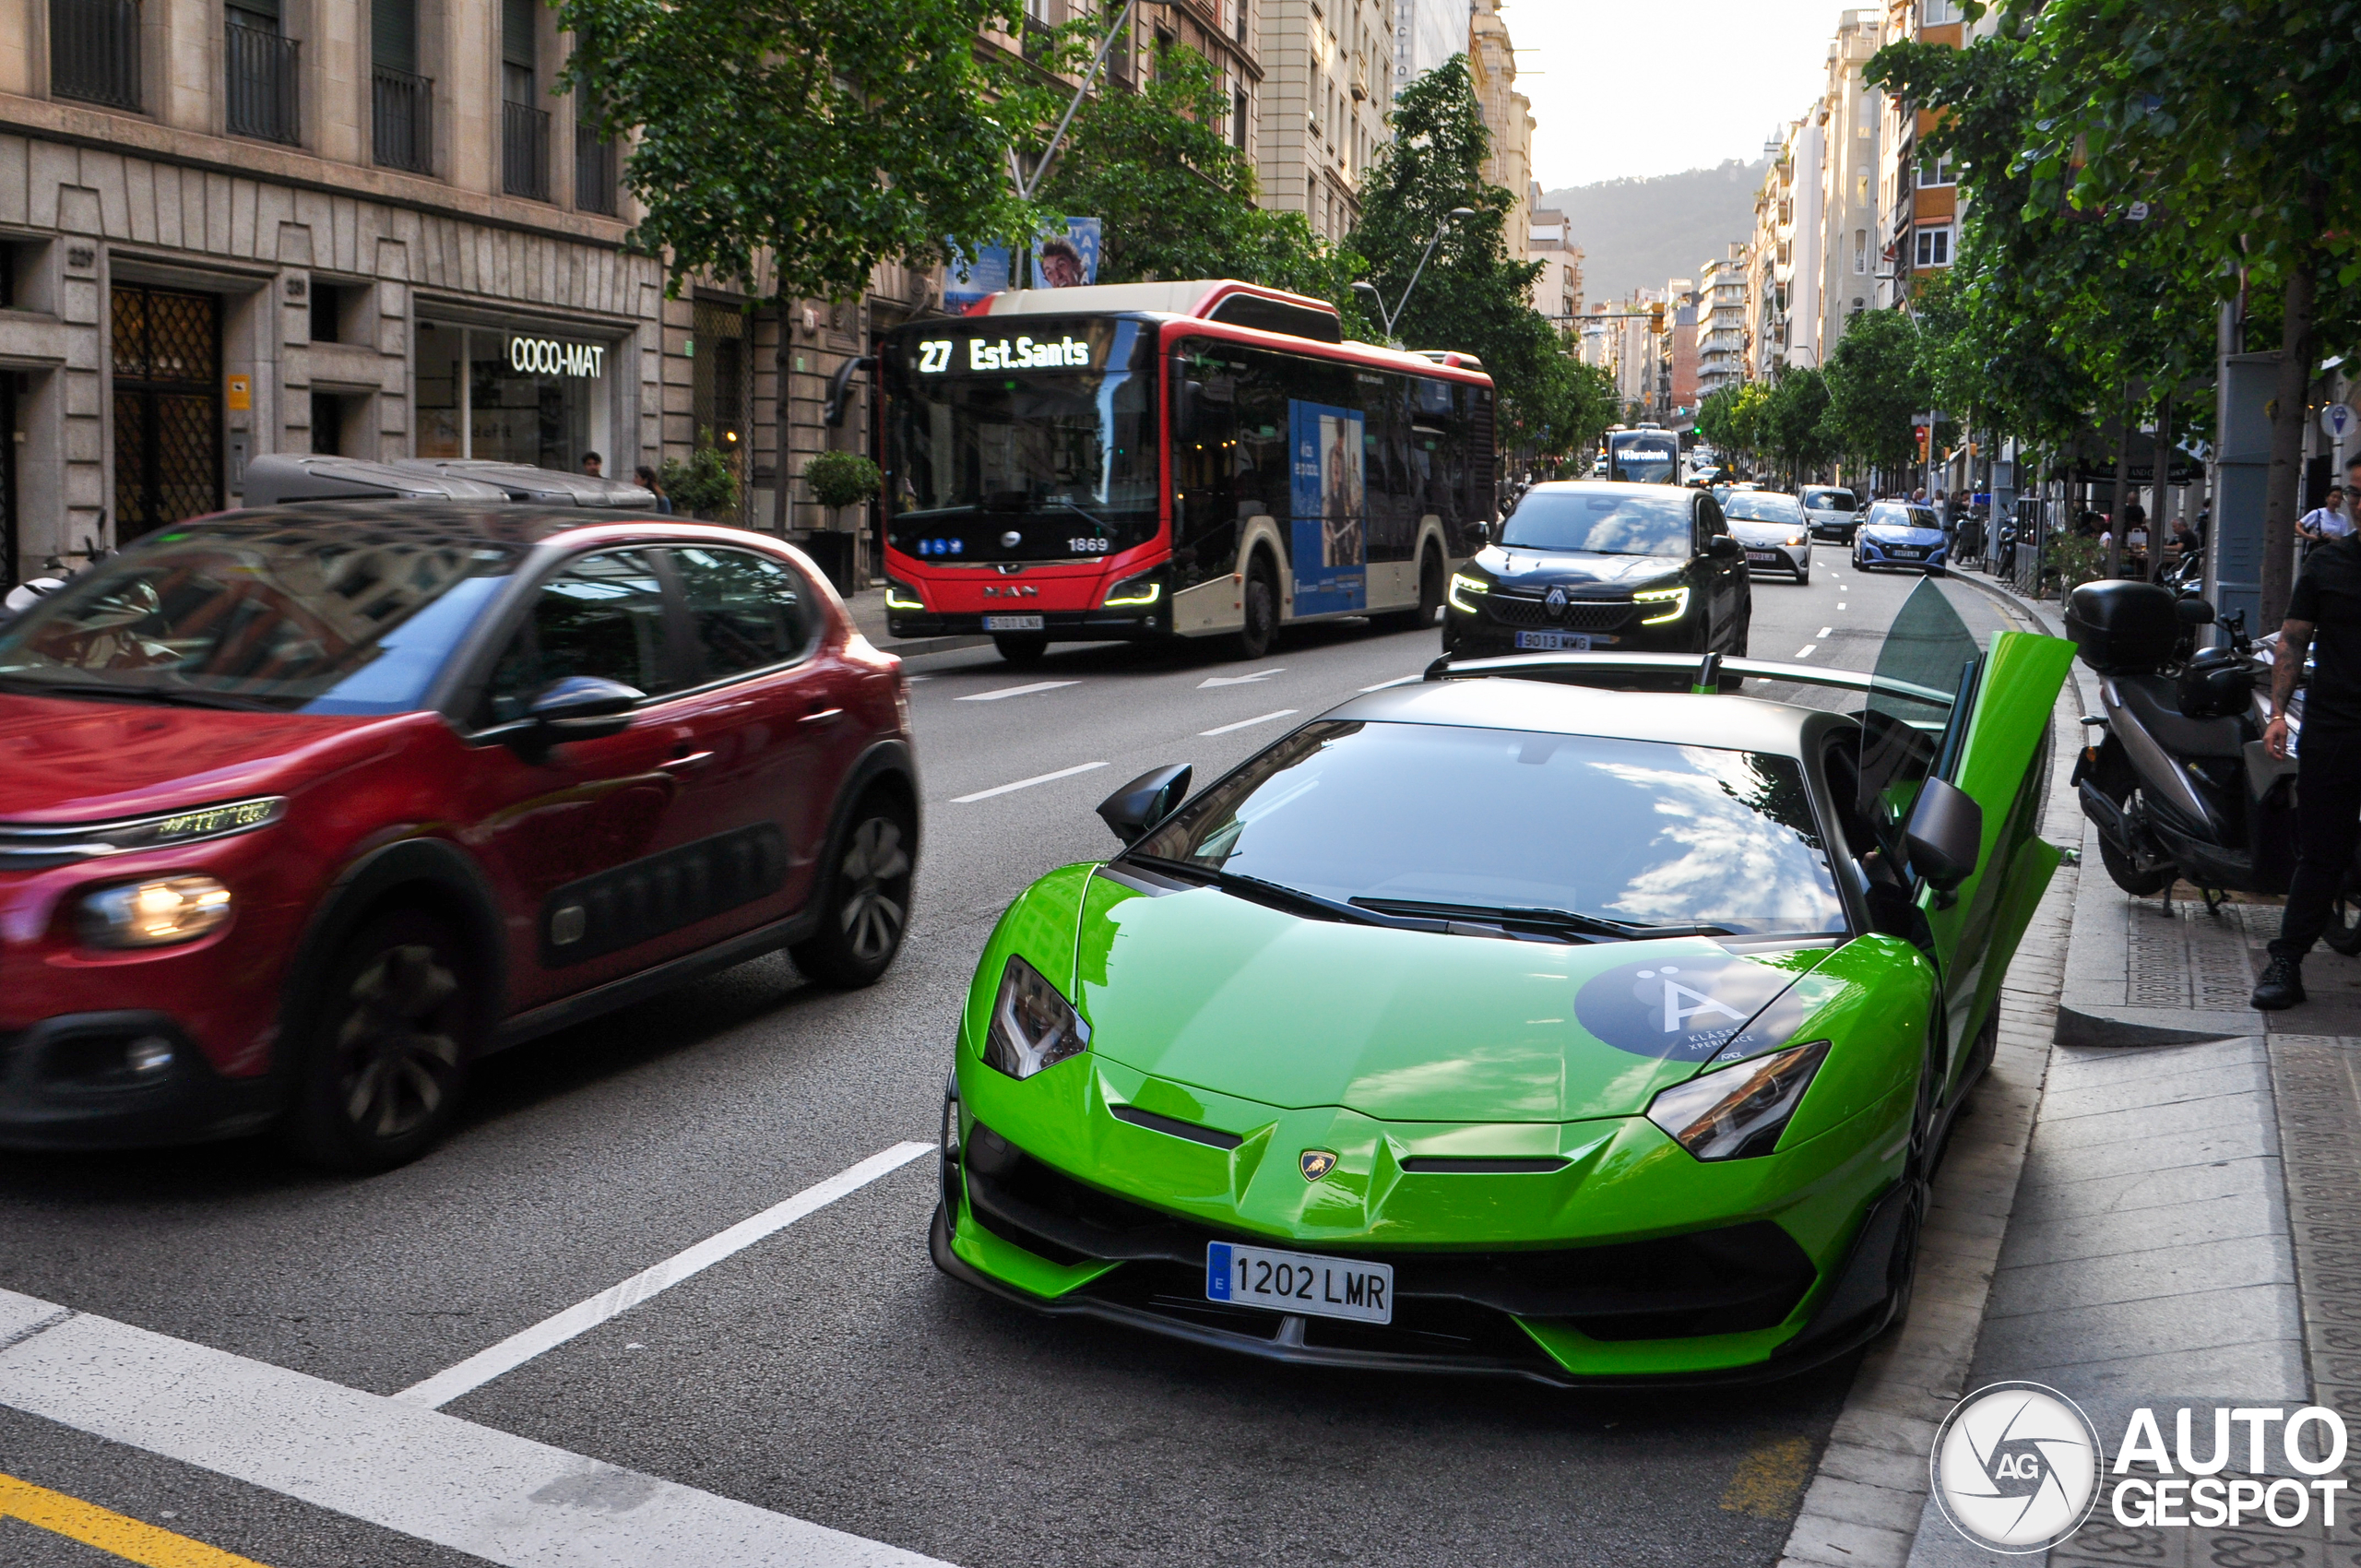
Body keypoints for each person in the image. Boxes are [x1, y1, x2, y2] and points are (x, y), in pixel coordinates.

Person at [2255, 454, 2361, 1007]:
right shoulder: (2326, 565)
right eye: (2358, 494)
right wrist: (2276, 714)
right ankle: (2285, 963)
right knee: (2321, 853)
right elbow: (2293, 640)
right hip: (2335, 728)